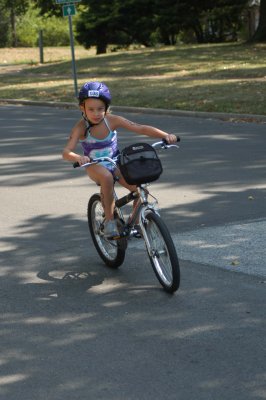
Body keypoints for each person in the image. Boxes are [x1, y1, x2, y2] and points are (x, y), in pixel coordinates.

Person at [62, 81, 177, 238]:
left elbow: (140, 128)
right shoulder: (80, 128)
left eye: (100, 109)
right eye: (91, 109)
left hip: (114, 161)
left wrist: (165, 135)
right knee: (107, 178)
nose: (96, 113)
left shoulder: (112, 120)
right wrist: (79, 157)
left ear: (106, 108)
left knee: (139, 190)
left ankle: (135, 223)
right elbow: (66, 152)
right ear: (82, 108)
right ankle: (109, 221)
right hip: (94, 164)